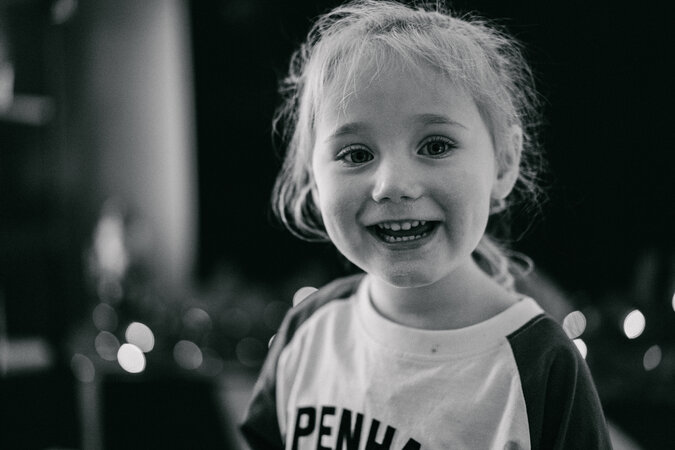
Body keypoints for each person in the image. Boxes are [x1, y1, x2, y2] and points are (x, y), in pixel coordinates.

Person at [241, 1, 611, 448]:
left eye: (435, 146)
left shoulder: (541, 365)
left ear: (504, 162)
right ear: (314, 183)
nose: (392, 186)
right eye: (356, 154)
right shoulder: (308, 329)